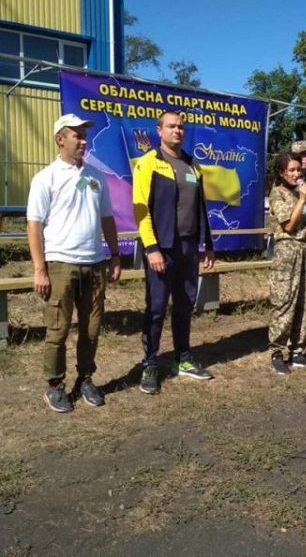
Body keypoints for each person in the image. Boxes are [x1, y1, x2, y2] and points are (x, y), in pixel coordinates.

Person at [27, 113, 122, 413]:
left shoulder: (97, 177)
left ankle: (85, 379)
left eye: (85, 135)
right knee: (58, 330)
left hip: (94, 264)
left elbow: (107, 219)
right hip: (60, 265)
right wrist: (40, 269)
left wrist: (115, 255)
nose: (83, 141)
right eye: (77, 135)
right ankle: (55, 386)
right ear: (60, 139)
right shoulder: (46, 178)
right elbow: (34, 225)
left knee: (91, 330)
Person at [133, 110, 215, 395]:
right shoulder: (148, 163)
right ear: (159, 131)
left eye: (180, 127)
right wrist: (152, 248)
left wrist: (207, 245)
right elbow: (140, 210)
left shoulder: (193, 166)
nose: (177, 131)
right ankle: (150, 364)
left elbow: (200, 209)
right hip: (162, 248)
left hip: (188, 248)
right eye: (171, 127)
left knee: (184, 305)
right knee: (156, 308)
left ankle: (182, 359)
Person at [268, 153, 306, 374]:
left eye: (299, 169)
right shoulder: (277, 194)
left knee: (303, 302)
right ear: (282, 173)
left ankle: (298, 351)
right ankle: (277, 352)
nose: (297, 173)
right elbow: (289, 225)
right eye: (291, 170)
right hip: (288, 249)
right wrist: (300, 200)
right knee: (285, 301)